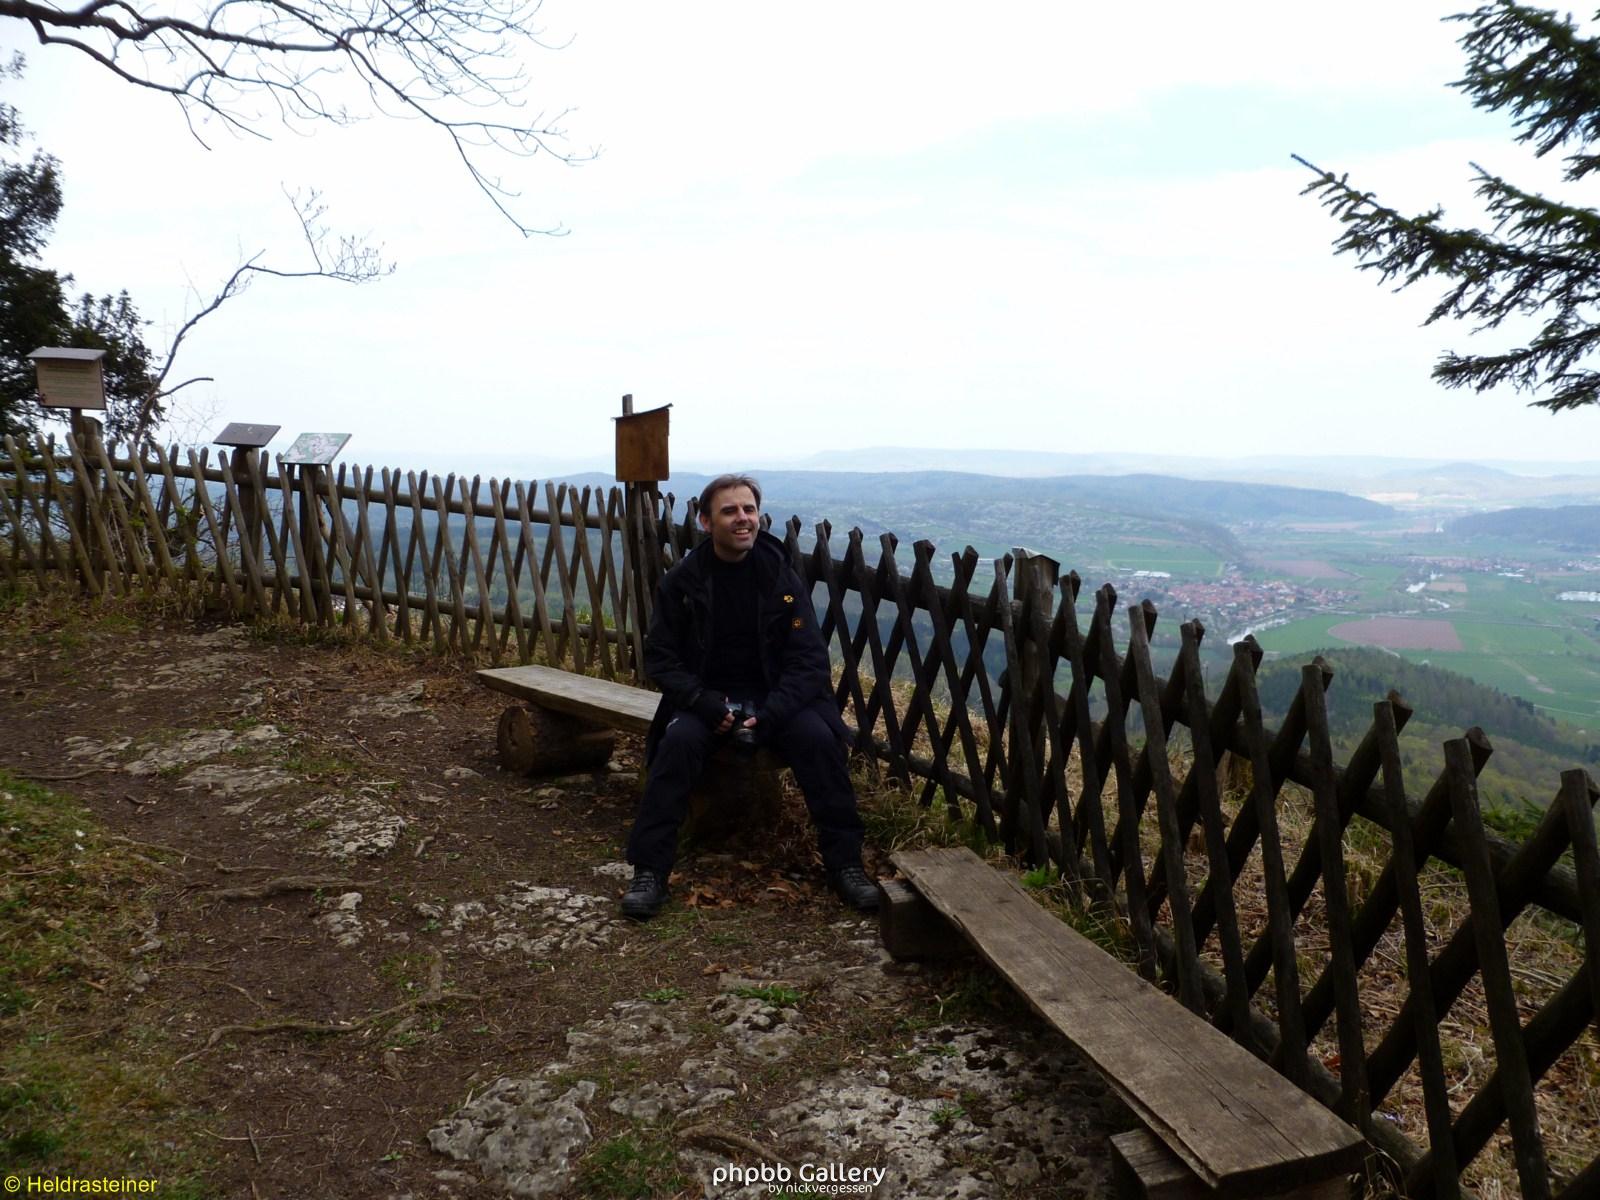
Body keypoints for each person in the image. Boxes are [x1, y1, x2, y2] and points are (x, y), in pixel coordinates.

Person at [621, 473, 880, 920]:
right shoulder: (684, 582)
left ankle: (846, 865)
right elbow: (661, 657)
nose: (743, 519)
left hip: (778, 699)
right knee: (676, 744)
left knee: (820, 741)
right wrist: (702, 702)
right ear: (706, 522)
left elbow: (809, 660)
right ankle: (650, 871)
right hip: (707, 698)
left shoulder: (780, 576)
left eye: (749, 509)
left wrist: (773, 712)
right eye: (729, 511)